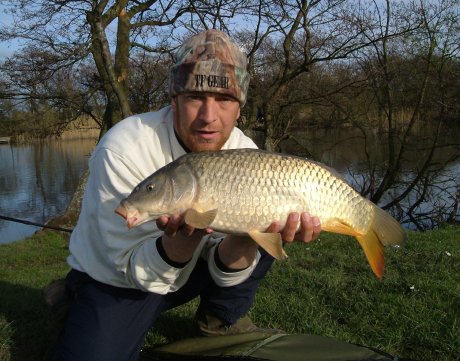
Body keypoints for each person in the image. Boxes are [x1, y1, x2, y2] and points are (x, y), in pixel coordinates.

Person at [50, 29, 321, 361]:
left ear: (240, 108)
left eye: (224, 100)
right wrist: (181, 241)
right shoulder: (124, 147)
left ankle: (219, 320)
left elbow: (224, 269)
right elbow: (131, 266)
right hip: (119, 277)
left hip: (194, 264)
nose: (209, 117)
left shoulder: (243, 151)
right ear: (174, 100)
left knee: (264, 219)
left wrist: (252, 236)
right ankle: (74, 294)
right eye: (195, 97)